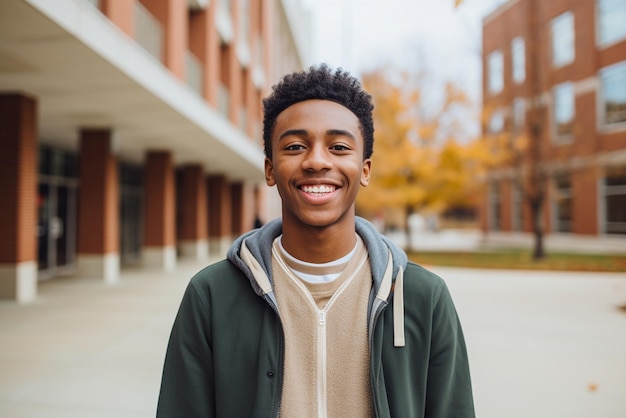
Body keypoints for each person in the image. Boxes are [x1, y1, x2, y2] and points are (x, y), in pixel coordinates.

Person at [156, 64, 475, 417]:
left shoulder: (423, 297)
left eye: (338, 146)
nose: (317, 161)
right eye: (295, 146)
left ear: (364, 169)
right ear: (270, 169)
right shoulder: (211, 296)